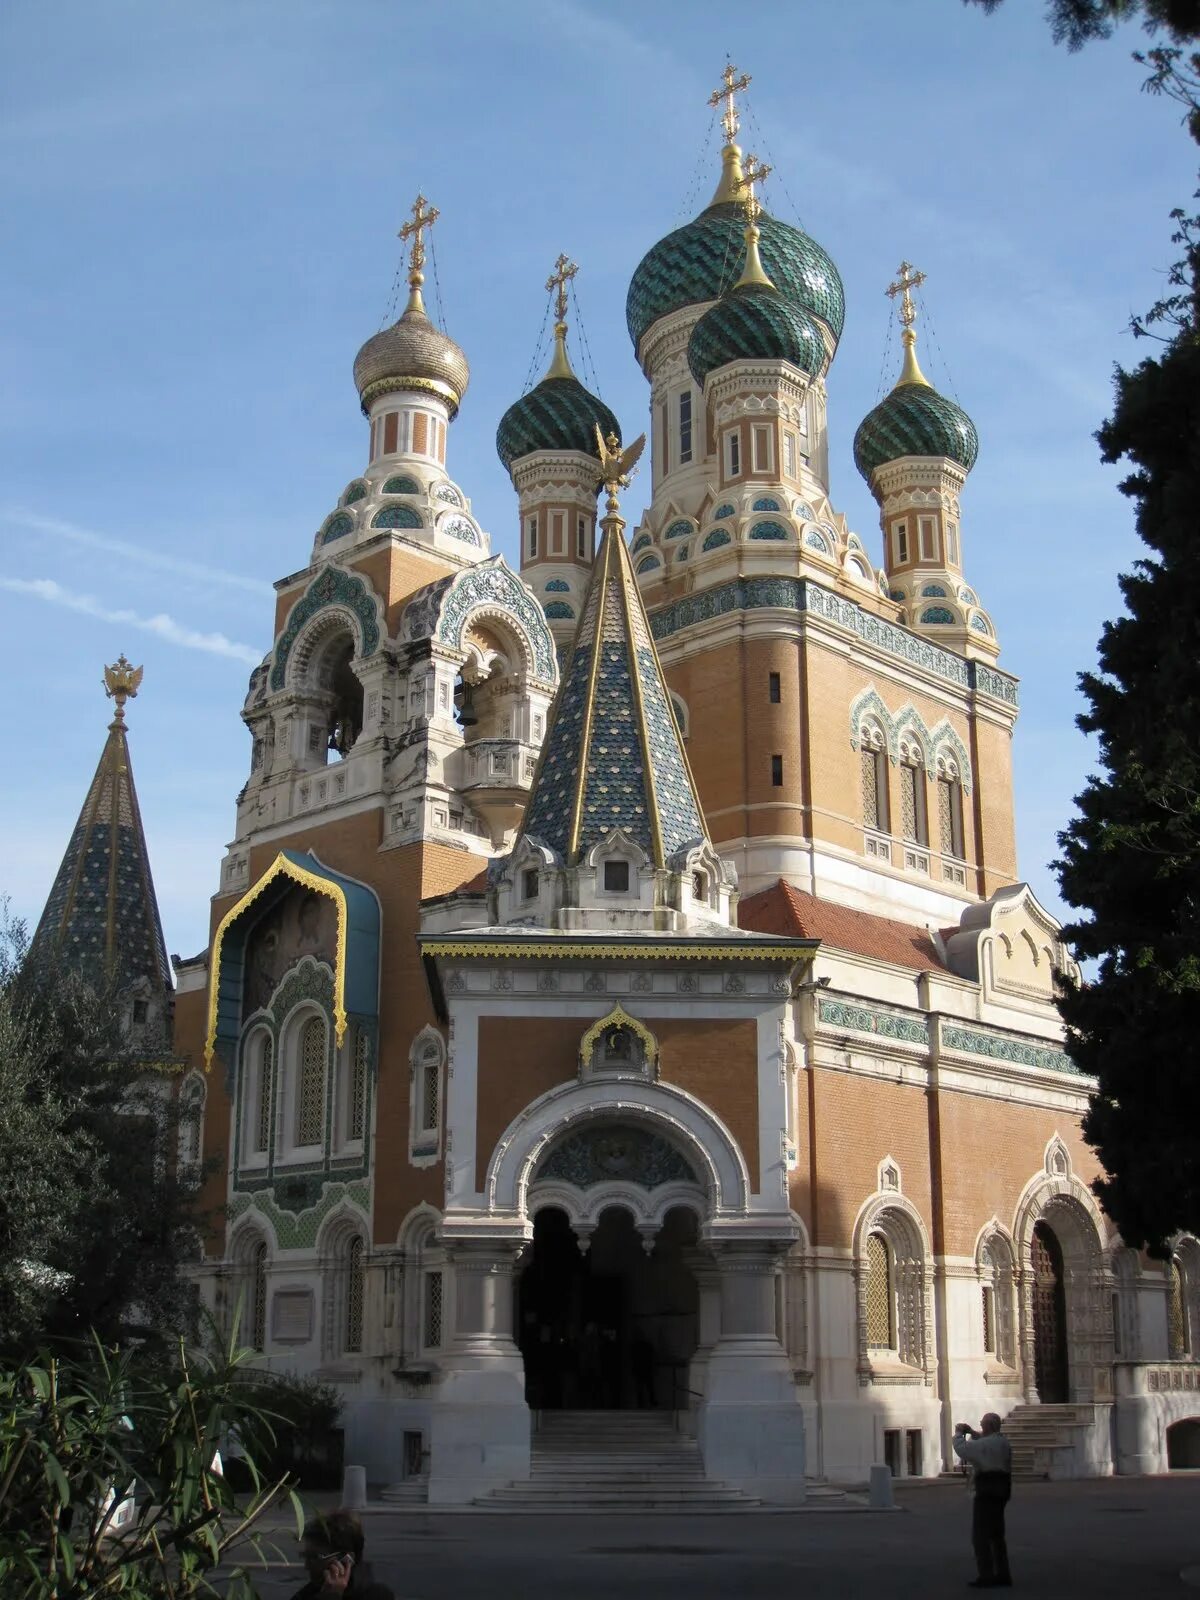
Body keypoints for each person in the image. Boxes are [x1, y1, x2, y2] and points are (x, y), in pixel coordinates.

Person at [953, 1414, 1013, 1589]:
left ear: (988, 1426)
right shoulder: (1002, 1441)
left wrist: (958, 1434)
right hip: (1002, 1488)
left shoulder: (987, 1444)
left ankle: (986, 1575)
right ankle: (1002, 1573)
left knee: (980, 1535)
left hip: (987, 1489)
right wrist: (972, 1432)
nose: (980, 1425)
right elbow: (986, 1442)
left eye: (982, 1424)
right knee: (997, 1535)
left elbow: (963, 1449)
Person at [291, 1510, 394, 1600]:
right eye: (305, 1556)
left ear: (346, 1560)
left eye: (315, 1557)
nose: (307, 1566)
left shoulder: (376, 1595)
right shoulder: (305, 1595)